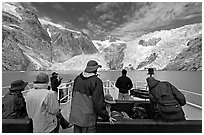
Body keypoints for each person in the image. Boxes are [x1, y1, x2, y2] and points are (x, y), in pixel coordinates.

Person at [69, 60, 116, 133]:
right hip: (88, 119)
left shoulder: (77, 79)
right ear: (95, 70)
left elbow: (73, 96)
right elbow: (98, 104)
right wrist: (106, 116)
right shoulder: (96, 81)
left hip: (76, 116)